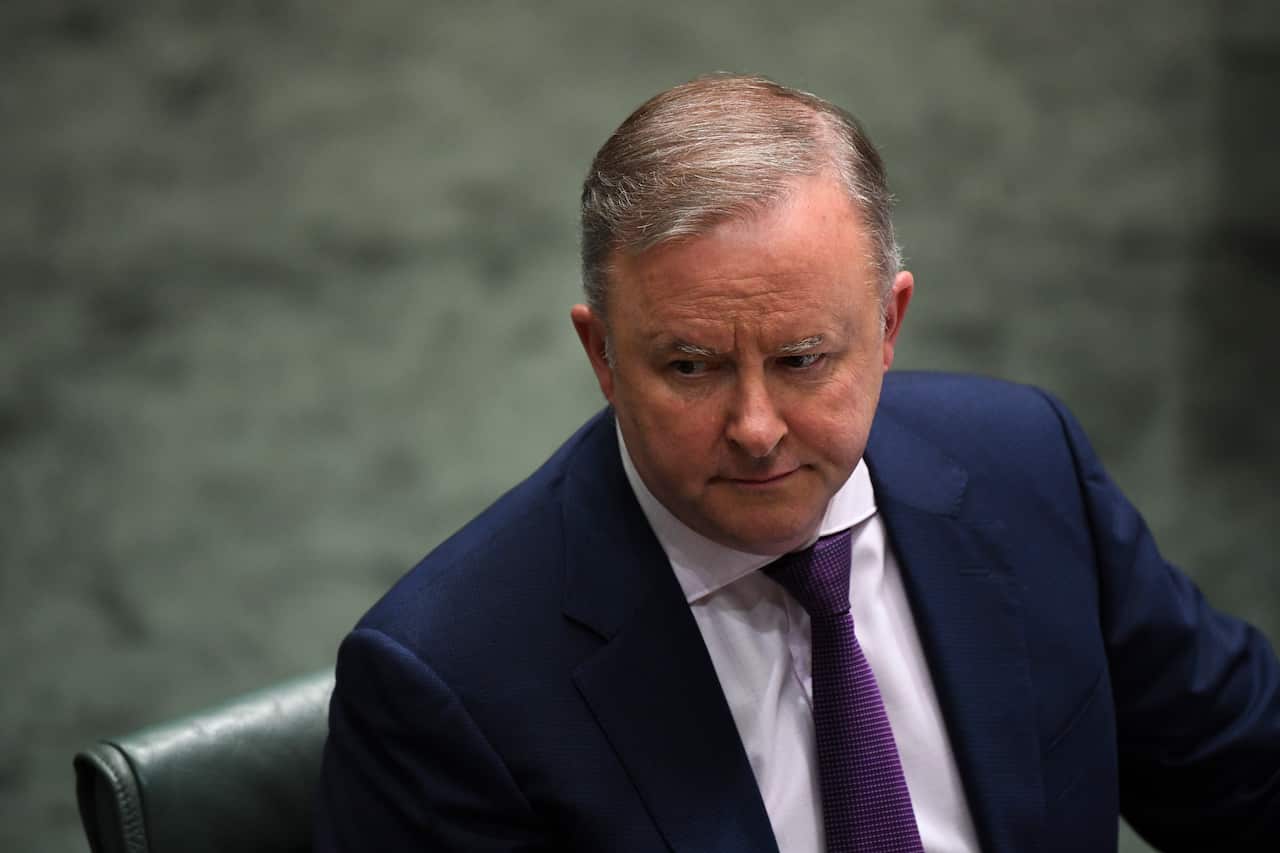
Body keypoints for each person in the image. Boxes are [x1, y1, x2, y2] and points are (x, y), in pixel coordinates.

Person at [314, 75, 1280, 852]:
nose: (757, 426)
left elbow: (1247, 774)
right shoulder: (446, 684)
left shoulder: (1028, 467)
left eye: (802, 359)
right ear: (603, 356)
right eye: (690, 366)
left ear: (891, 324)